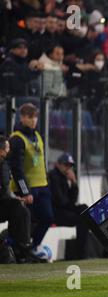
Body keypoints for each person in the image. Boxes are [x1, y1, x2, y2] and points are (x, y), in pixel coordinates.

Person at [8, 103, 54, 252]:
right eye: (29, 117)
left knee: (47, 218)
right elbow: (16, 169)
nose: (33, 120)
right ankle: (15, 248)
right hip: (28, 189)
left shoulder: (37, 135)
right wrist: (25, 191)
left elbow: (41, 161)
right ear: (22, 118)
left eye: (35, 117)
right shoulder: (16, 139)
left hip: (42, 186)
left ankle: (32, 247)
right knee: (23, 222)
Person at [0, 136, 42, 263]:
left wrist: (14, 197)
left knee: (21, 210)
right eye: (7, 148)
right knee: (17, 206)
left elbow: (5, 189)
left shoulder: (4, 165)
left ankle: (21, 249)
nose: (9, 151)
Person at [48, 153, 89, 260]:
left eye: (70, 166)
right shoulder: (53, 176)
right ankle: (80, 253)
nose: (68, 168)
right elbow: (60, 201)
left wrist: (74, 182)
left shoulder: (64, 177)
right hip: (55, 212)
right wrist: (73, 207)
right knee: (82, 218)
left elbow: (72, 200)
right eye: (66, 165)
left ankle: (81, 251)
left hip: (64, 209)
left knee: (85, 210)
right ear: (58, 164)